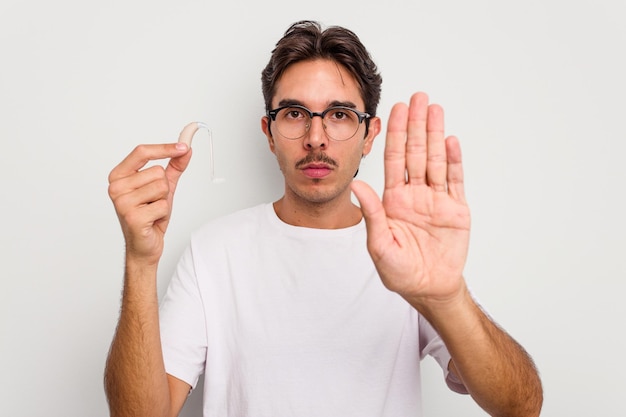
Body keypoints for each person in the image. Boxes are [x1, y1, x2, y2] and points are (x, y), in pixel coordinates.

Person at [104, 20, 543, 417]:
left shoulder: (407, 250)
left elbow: (520, 408)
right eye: (295, 114)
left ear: (370, 134)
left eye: (339, 115)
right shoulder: (214, 251)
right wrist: (140, 262)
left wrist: (447, 298)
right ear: (269, 133)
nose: (317, 139)